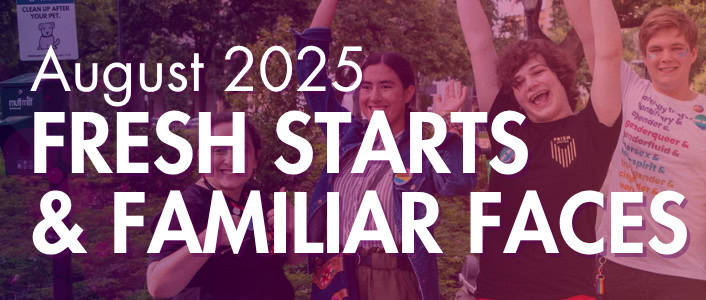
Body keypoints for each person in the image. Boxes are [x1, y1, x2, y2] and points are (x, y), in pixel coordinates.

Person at [296, 1, 477, 299]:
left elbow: (459, 181)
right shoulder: (346, 136)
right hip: (339, 276)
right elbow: (310, 76)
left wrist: (447, 128)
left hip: (395, 279)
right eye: (366, 87)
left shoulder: (422, 150)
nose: (374, 97)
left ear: (408, 92)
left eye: (385, 86)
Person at [572, 5, 706, 299]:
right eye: (655, 50)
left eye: (677, 48)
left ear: (693, 53)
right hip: (618, 266)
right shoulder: (627, 90)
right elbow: (591, 37)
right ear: (645, 58)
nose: (666, 57)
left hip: (685, 276)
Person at [455, 0, 622, 299]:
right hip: (497, 293)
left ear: (560, 75)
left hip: (569, 294)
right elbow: (479, 45)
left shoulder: (592, 129)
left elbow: (606, 51)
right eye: (518, 82)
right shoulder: (508, 131)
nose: (529, 84)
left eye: (537, 72)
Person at [146, 112, 295, 300]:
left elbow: (292, 258)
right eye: (219, 150)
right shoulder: (186, 207)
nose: (231, 160)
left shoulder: (256, 198)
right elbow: (157, 287)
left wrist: (293, 230)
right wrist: (209, 240)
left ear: (256, 158)